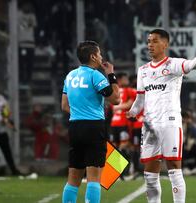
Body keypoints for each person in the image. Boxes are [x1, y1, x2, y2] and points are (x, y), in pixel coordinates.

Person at [128, 29, 196, 203]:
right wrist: (131, 111)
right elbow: (140, 100)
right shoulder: (143, 70)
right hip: (150, 127)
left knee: (174, 168)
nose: (150, 45)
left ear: (165, 44)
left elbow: (191, 66)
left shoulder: (174, 64)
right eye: (148, 41)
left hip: (170, 123)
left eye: (154, 41)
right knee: (150, 174)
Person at [61, 41, 120, 203]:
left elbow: (64, 105)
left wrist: (81, 112)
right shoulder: (95, 75)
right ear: (93, 56)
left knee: (73, 177)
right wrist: (111, 74)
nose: (101, 57)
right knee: (94, 176)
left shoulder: (70, 76)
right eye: (99, 54)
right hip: (93, 127)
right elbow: (116, 99)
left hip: (75, 127)